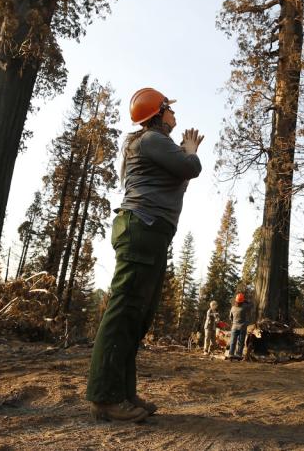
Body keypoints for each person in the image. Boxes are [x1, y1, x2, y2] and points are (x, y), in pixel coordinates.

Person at [86, 87, 204, 422]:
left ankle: (122, 392)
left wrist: (182, 155)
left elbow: (178, 177)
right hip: (142, 229)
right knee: (124, 313)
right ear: (157, 112)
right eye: (169, 109)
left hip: (149, 231)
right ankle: (105, 396)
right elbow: (190, 168)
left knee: (137, 317)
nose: (174, 116)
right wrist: (191, 150)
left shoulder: (153, 144)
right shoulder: (152, 139)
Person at [228, 292, 249, 359]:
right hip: (242, 327)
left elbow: (230, 317)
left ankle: (231, 354)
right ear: (242, 301)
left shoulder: (233, 308)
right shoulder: (244, 307)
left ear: (236, 301)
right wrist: (246, 301)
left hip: (234, 326)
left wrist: (233, 322)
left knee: (233, 341)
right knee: (241, 342)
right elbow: (252, 305)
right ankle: (239, 355)